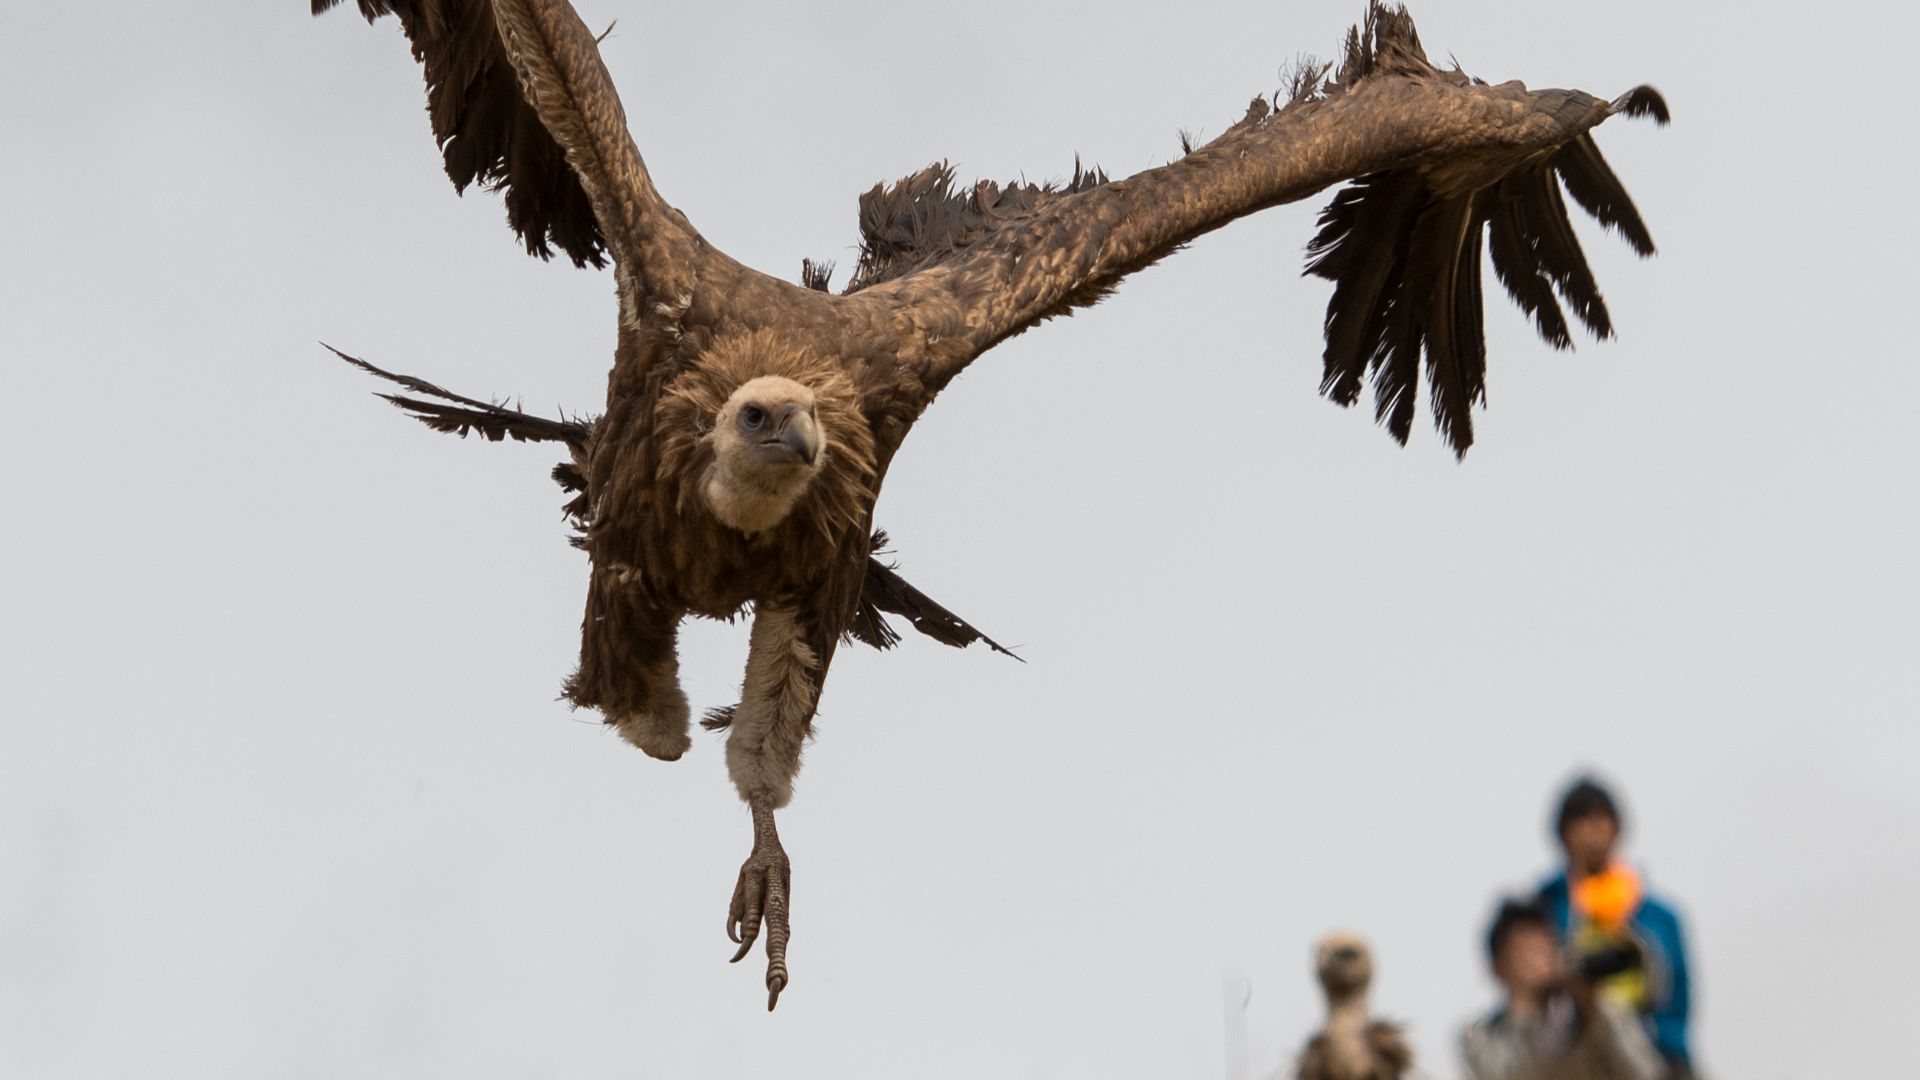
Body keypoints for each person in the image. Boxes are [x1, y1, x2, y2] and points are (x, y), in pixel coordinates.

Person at [1534, 777, 1695, 1076]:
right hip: (1573, 1053)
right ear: (1563, 834)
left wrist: (1672, 1050)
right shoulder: (1544, 910)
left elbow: (1677, 991)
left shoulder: (1658, 917)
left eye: (1601, 820)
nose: (1592, 832)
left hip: (1649, 1047)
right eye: (1581, 821)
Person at [1461, 899, 1667, 1080]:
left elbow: (1645, 1071)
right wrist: (1527, 1011)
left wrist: (1593, 1011)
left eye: (1545, 948)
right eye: (1526, 951)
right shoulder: (1482, 1036)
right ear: (1498, 967)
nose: (1538, 961)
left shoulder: (1596, 1012)